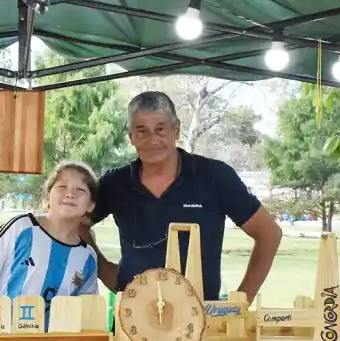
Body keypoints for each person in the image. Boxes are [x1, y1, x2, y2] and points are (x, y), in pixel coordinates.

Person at [86, 91, 283, 301]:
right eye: (142, 131)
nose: (152, 140)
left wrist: (240, 302)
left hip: (201, 322)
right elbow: (72, 224)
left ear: (176, 130)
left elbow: (269, 234)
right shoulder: (115, 182)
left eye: (160, 130)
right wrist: (102, 268)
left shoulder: (214, 176)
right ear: (131, 137)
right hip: (132, 319)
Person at [0, 161, 100, 317]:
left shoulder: (87, 257)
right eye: (62, 187)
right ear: (47, 196)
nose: (70, 194)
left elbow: (87, 310)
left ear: (91, 205)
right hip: (0, 336)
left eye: (80, 189)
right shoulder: (20, 228)